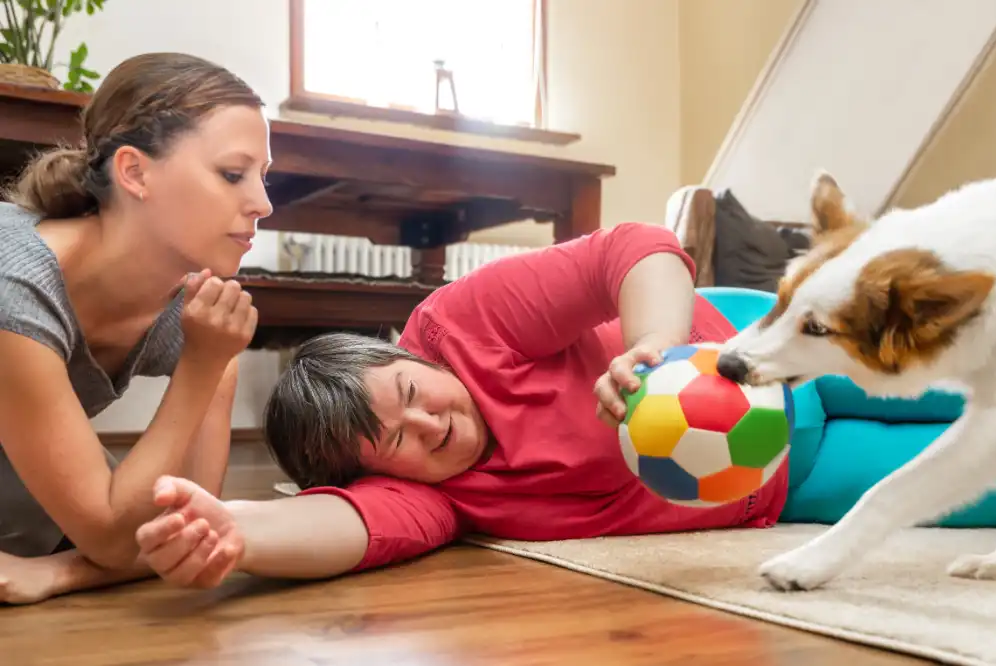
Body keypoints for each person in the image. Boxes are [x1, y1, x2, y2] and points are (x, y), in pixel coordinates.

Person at [130, 220, 791, 590]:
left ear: (414, 360)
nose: (430, 424)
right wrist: (235, 530)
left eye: (414, 394)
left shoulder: (461, 325)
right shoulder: (440, 497)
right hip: (784, 486)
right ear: (386, 475)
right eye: (398, 442)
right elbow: (345, 526)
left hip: (756, 348)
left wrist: (658, 347)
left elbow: (629, 249)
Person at [0, 52, 272, 604]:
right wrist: (201, 366)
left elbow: (196, 533)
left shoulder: (189, 311)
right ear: (135, 171)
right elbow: (114, 538)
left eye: (264, 178)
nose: (263, 204)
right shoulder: (14, 284)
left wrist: (57, 573)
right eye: (231, 174)